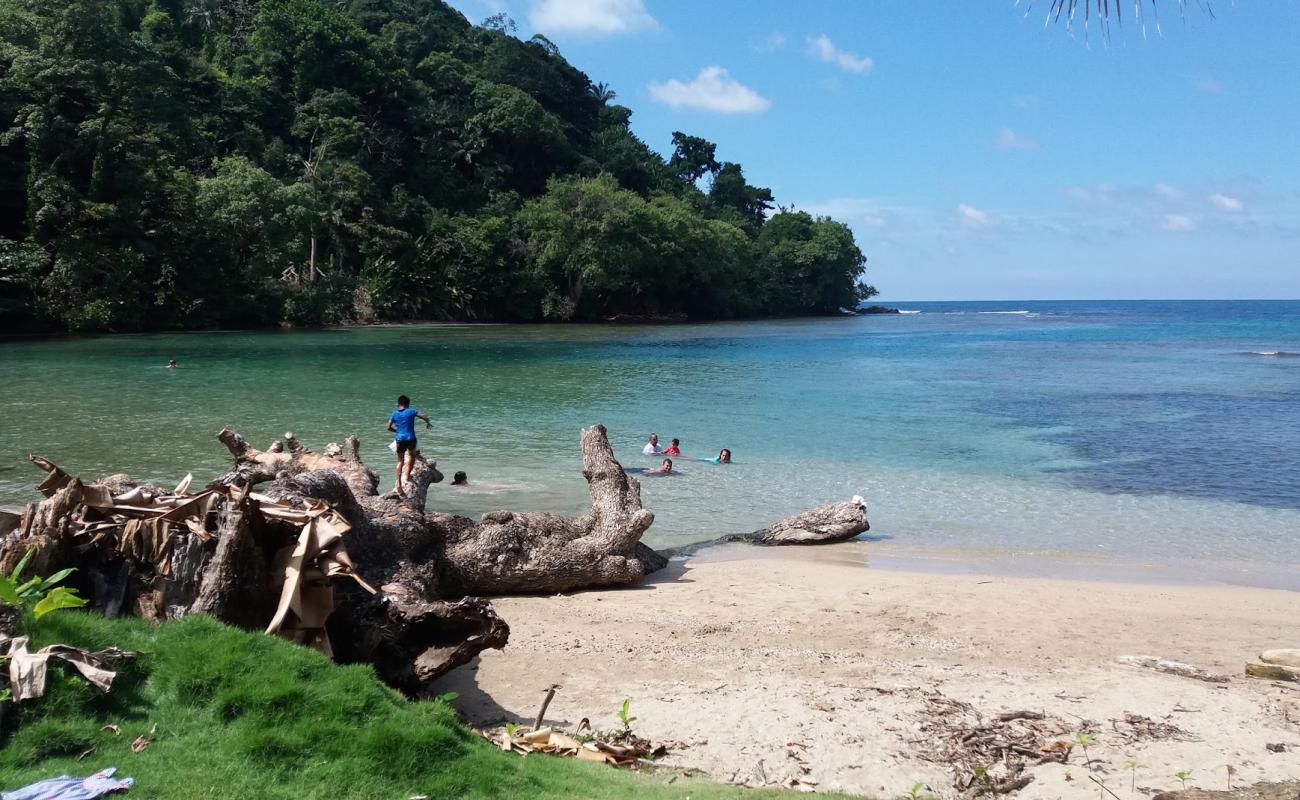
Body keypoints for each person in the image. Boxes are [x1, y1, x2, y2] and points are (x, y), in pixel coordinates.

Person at [387, 395, 431, 496]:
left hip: (400, 439)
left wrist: (397, 432)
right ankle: (407, 476)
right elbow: (424, 416)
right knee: (412, 456)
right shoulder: (411, 411)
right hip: (410, 438)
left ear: (398, 404)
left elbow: (388, 427)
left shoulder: (394, 414)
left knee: (400, 461)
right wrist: (428, 423)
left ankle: (399, 484)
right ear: (408, 404)